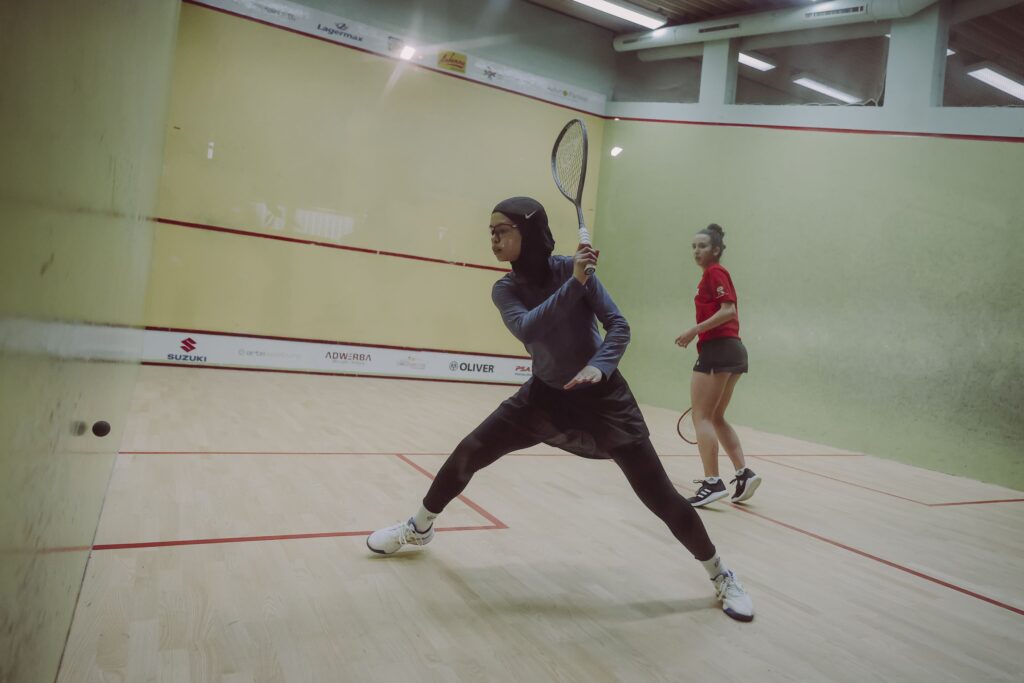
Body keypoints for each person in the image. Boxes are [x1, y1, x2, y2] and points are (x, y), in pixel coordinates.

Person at [366, 198, 753, 622]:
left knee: (658, 494)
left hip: (605, 399)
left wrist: (599, 366)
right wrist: (575, 283)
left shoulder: (572, 269)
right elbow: (528, 328)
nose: (493, 238)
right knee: (470, 450)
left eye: (502, 230)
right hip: (544, 395)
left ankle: (721, 575)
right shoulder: (506, 289)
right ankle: (419, 526)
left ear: (529, 233)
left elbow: (619, 326)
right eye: (490, 231)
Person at [675, 224, 761, 507]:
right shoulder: (710, 275)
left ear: (716, 249)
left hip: (718, 350)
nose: (696, 251)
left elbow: (728, 310)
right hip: (734, 351)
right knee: (717, 417)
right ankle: (744, 474)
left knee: (701, 417)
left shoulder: (715, 273)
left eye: (702, 246)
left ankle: (712, 482)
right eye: (693, 246)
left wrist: (693, 330)